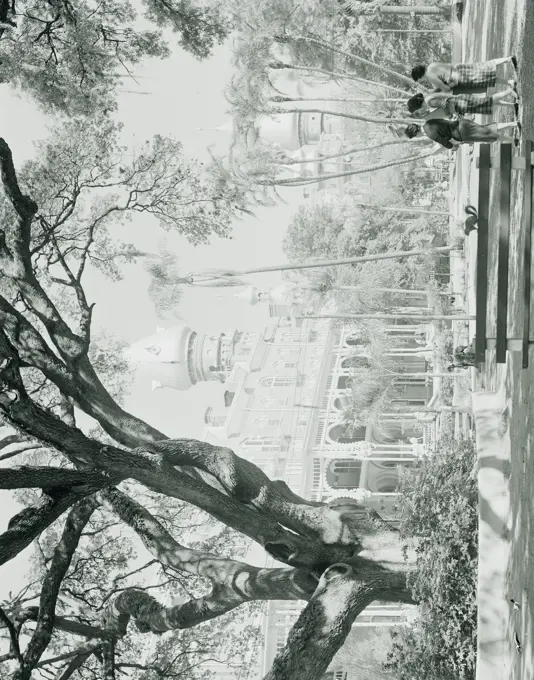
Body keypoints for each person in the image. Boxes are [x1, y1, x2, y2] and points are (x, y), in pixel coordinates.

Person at [411, 57, 517, 93]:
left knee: (486, 78)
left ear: (420, 76)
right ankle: (508, 59)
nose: (422, 81)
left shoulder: (430, 77)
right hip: (459, 67)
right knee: (485, 65)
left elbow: (446, 88)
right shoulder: (431, 65)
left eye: (420, 80)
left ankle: (510, 82)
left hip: (457, 78)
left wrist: (436, 91)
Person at [404, 118, 520, 149]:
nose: (417, 137)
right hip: (461, 123)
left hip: (462, 133)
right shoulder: (428, 122)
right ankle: (514, 124)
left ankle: (513, 140)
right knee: (487, 129)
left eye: (415, 137)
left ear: (416, 133)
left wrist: (454, 147)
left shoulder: (430, 134)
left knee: (489, 135)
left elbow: (446, 143)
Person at [407, 88, 518, 117]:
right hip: (459, 100)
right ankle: (512, 106)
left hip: (460, 103)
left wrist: (448, 114)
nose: (420, 111)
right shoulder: (428, 96)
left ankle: (509, 91)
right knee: (488, 102)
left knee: (488, 100)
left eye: (417, 110)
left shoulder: (429, 102)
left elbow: (444, 104)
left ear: (417, 106)